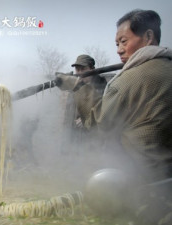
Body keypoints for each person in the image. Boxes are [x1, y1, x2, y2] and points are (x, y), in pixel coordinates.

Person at [57, 9, 172, 223]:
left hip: (146, 180)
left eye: (123, 41)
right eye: (116, 44)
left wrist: (77, 87)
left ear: (148, 37)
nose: (119, 50)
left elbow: (98, 124)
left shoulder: (128, 79)